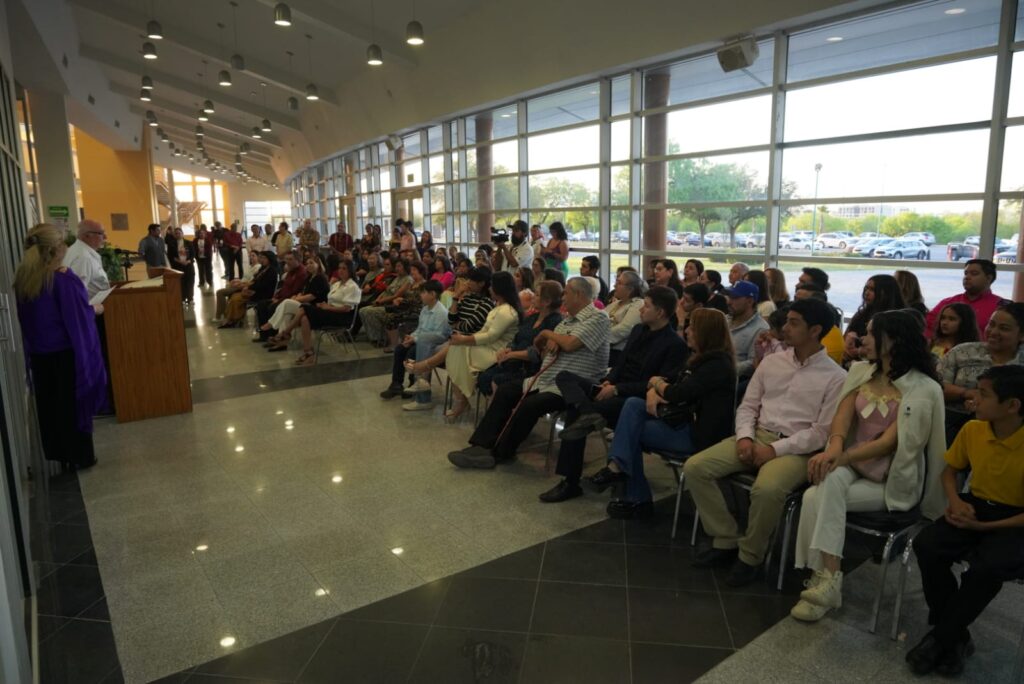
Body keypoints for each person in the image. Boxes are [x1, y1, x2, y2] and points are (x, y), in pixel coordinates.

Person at [790, 310, 946, 622]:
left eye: (873, 333)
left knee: (813, 496)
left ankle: (822, 580)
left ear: (894, 340)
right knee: (827, 485)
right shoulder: (860, 371)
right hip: (855, 467)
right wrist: (834, 447)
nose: (864, 338)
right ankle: (830, 580)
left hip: (890, 480)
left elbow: (890, 442)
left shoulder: (924, 388)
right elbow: (842, 416)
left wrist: (841, 457)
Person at [684, 298, 846, 587]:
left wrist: (773, 450)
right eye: (787, 321)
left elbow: (821, 433)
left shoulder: (835, 377)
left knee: (767, 488)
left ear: (815, 330)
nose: (785, 327)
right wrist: (746, 437)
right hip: (757, 434)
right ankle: (726, 537)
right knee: (696, 468)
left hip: (796, 449)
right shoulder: (773, 362)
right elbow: (747, 406)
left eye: (794, 323)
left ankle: (750, 557)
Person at [907, 365, 1024, 677]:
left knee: (987, 569)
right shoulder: (974, 429)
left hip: (1014, 519)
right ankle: (955, 638)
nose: (975, 399)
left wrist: (984, 528)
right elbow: (950, 471)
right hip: (975, 506)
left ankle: (941, 638)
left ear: (1012, 406)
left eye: (984, 395)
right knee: (928, 545)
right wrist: (956, 501)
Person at [540, 286, 687, 506]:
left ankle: (570, 482)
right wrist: (611, 381)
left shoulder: (675, 345)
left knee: (575, 414)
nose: (640, 310)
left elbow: (653, 385)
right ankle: (588, 413)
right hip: (614, 388)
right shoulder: (639, 330)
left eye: (646, 306)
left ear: (661, 313)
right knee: (565, 377)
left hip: (631, 402)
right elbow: (622, 362)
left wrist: (617, 389)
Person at [447, 277, 610, 469]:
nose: (563, 298)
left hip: (572, 386)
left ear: (579, 295)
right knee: (506, 391)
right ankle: (480, 446)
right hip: (546, 378)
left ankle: (500, 453)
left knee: (529, 404)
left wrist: (547, 335)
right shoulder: (567, 323)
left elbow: (569, 343)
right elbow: (540, 349)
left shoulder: (598, 318)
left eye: (566, 293)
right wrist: (550, 339)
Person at [590, 308, 737, 517]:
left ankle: (633, 491)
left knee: (630, 431)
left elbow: (676, 392)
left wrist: (655, 383)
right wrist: (655, 389)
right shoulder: (698, 359)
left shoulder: (716, 365)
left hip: (698, 436)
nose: (687, 331)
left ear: (706, 333)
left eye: (693, 328)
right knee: (632, 405)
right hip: (682, 421)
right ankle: (619, 470)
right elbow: (672, 384)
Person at [15, 224, 107, 469]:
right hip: (66, 356)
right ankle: (79, 456)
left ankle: (58, 453)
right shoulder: (63, 279)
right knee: (71, 406)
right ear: (57, 249)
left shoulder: (25, 278)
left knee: (51, 406)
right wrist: (94, 309)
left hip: (40, 355)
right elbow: (76, 317)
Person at [436, 271, 522, 419]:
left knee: (456, 350)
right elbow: (478, 330)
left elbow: (490, 336)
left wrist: (464, 339)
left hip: (497, 352)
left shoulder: (506, 311)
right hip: (487, 347)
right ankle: (462, 400)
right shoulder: (498, 307)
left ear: (499, 289)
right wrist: (463, 338)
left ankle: (462, 400)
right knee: (455, 350)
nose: (489, 289)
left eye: (492, 286)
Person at [939, 302, 1024, 443]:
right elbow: (936, 386)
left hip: (1011, 436)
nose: (994, 332)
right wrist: (966, 393)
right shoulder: (962, 352)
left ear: (1021, 335)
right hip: (952, 426)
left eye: (1004, 328)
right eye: (991, 324)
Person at [476, 281, 564, 397]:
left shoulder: (555, 322)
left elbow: (538, 352)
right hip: (514, 363)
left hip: (530, 369)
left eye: (537, 294)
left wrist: (512, 354)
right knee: (484, 376)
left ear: (547, 301)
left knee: (498, 380)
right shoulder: (532, 317)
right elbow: (517, 338)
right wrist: (508, 349)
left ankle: (502, 412)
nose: (533, 296)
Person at [380, 280, 452, 406]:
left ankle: (414, 382)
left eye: (423, 293)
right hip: (420, 340)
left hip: (432, 344)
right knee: (400, 349)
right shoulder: (424, 309)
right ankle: (396, 384)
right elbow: (420, 329)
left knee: (410, 353)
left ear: (433, 294)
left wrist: (415, 339)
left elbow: (440, 336)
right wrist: (411, 337)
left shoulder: (441, 313)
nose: (421, 295)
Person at [283, 260, 362, 366]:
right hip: (331, 312)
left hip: (343, 317)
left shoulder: (353, 287)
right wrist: (324, 305)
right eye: (339, 268)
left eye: (344, 268)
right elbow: (330, 301)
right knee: (304, 318)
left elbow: (347, 309)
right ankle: (308, 352)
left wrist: (328, 308)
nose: (341, 271)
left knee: (305, 308)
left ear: (350, 271)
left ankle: (286, 332)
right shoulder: (337, 284)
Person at [925, 260, 1005, 341]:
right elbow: (927, 327)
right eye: (966, 273)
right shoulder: (948, 303)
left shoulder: (1001, 307)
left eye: (974, 273)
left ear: (989, 278)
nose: (967, 277)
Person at [264, 256, 330, 347]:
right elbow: (303, 292)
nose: (309, 265)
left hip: (314, 307)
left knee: (287, 302)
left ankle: (272, 323)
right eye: (307, 263)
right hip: (305, 305)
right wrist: (297, 296)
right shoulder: (309, 277)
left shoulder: (320, 278)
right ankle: (282, 340)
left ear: (318, 265)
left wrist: (296, 299)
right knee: (287, 313)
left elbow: (312, 296)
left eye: (312, 263)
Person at [844, 274, 905, 364]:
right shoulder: (862, 314)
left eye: (872, 290)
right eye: (866, 288)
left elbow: (894, 349)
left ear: (886, 293)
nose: (866, 293)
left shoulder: (897, 319)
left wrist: (860, 351)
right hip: (856, 363)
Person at [360, 259, 413, 346]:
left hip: (393, 305)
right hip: (384, 301)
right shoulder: (397, 278)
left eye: (399, 266)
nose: (397, 268)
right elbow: (386, 290)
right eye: (396, 266)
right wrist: (377, 299)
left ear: (405, 267)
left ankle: (380, 338)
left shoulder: (408, 280)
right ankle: (373, 336)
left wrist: (380, 301)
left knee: (369, 312)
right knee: (362, 311)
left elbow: (396, 295)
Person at [723, 280, 770, 379]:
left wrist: (724, 369)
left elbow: (753, 362)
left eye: (735, 298)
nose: (729, 302)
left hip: (734, 379)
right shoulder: (724, 320)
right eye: (729, 297)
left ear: (749, 301)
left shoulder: (761, 329)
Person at [220, 252, 279, 326]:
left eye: (264, 258)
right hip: (256, 290)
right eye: (261, 258)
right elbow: (255, 280)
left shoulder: (272, 271)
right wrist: (248, 286)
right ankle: (232, 318)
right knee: (234, 296)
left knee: (236, 298)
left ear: (269, 259)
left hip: (262, 294)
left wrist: (249, 288)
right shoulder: (263, 268)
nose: (262, 260)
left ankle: (234, 320)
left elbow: (262, 285)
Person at [251, 252, 307, 330]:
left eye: (290, 259)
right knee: (261, 305)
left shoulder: (301, 273)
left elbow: (295, 291)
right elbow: (283, 288)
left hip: (290, 299)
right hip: (281, 297)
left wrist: (279, 300)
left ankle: (272, 333)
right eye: (286, 259)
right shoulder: (290, 271)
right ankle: (263, 335)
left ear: (298, 260)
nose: (287, 262)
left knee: (272, 307)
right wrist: (276, 296)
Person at [794, 283, 845, 365]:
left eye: (802, 302)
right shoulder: (796, 325)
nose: (794, 305)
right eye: (795, 299)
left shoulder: (830, 333)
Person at [603, 270, 645, 364]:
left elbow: (625, 329)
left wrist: (598, 337)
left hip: (618, 352)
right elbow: (598, 319)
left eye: (619, 283)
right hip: (603, 347)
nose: (614, 286)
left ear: (630, 289)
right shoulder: (616, 303)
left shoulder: (638, 304)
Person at [63, 219, 110, 300]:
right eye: (101, 233)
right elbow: (77, 292)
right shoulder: (83, 257)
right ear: (87, 235)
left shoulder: (80, 251)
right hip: (90, 309)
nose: (105, 237)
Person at [447, 267, 494, 335]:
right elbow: (450, 320)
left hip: (470, 341)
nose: (467, 282)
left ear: (481, 283)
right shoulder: (468, 298)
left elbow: (467, 327)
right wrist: (456, 296)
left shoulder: (487, 303)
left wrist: (454, 325)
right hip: (456, 337)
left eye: (471, 280)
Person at [166, 227, 196, 305]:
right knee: (180, 283)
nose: (178, 235)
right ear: (174, 235)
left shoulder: (189, 243)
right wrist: (179, 261)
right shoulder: (171, 244)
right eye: (176, 233)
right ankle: (182, 298)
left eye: (179, 233)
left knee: (190, 282)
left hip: (188, 265)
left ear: (182, 234)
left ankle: (190, 298)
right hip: (177, 266)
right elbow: (170, 256)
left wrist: (188, 261)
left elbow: (193, 254)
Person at [194, 225, 214, 291]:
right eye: (200, 233)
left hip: (207, 257)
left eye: (203, 233)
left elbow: (209, 249)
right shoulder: (195, 240)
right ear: (198, 234)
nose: (201, 234)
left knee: (208, 270)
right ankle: (201, 282)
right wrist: (197, 251)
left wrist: (203, 251)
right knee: (200, 270)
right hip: (199, 258)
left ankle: (210, 281)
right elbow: (193, 248)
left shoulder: (208, 240)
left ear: (205, 234)